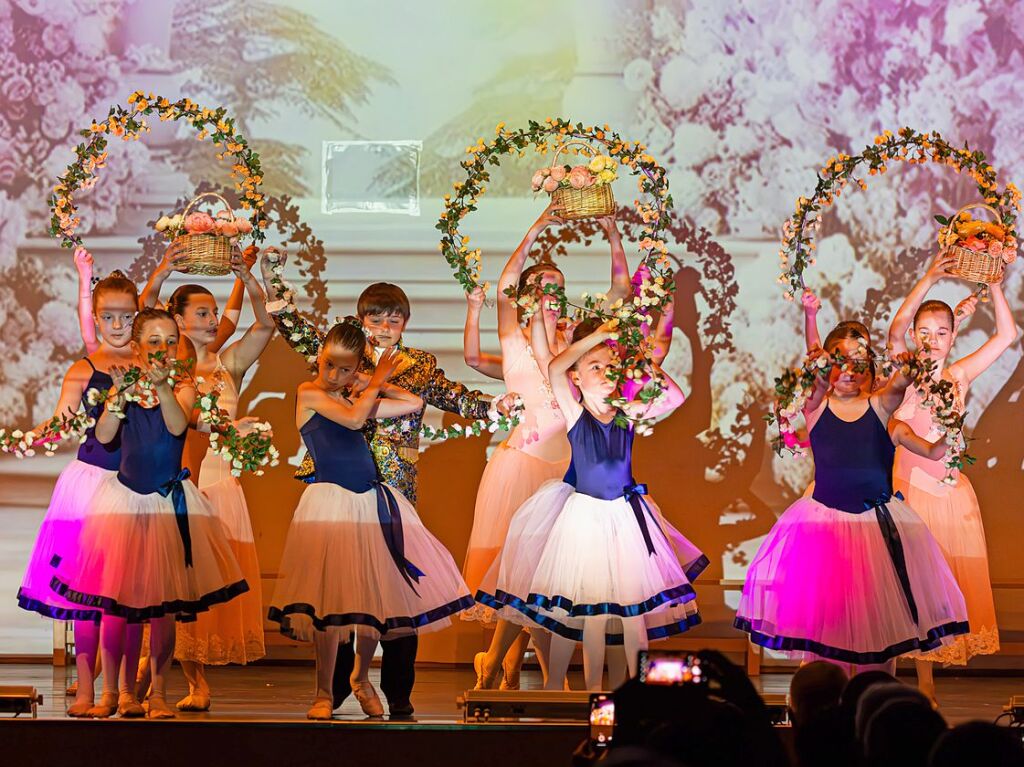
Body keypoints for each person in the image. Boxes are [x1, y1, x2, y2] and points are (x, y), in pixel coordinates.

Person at [262, 255, 513, 717]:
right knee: (338, 591)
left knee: (398, 595)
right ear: (361, 322)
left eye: (392, 320)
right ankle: (334, 690)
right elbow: (300, 335)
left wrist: (498, 406)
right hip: (338, 488)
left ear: (404, 324)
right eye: (374, 319)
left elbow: (451, 395)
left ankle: (398, 694)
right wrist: (276, 294)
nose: (383, 327)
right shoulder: (340, 362)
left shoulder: (417, 364)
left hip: (392, 489)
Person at [477, 319, 705, 691]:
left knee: (626, 615)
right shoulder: (575, 413)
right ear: (577, 378)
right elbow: (553, 368)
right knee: (575, 608)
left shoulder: (627, 413)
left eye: (610, 367)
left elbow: (675, 396)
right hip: (583, 520)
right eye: (593, 367)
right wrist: (600, 338)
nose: (603, 373)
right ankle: (561, 689)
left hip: (624, 523)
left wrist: (638, 358)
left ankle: (627, 694)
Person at [735, 323, 969, 675]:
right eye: (839, 361)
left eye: (857, 361)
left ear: (869, 368)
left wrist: (908, 370)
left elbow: (899, 386)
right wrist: (811, 323)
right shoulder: (815, 408)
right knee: (828, 615)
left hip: (875, 527)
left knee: (879, 615)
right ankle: (828, 702)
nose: (847, 370)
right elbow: (808, 382)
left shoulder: (879, 407)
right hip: (824, 527)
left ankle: (876, 698)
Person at [48, 309, 248, 718]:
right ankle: (115, 694)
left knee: (162, 609)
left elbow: (176, 427)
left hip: (165, 503)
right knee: (117, 605)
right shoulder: (123, 386)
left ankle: (154, 693)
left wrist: (166, 390)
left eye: (170, 341)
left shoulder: (184, 384)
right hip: (124, 503)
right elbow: (104, 437)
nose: (162, 350)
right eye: (153, 342)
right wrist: (118, 399)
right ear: (137, 347)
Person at [888, 253, 1020, 702]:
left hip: (947, 496)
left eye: (941, 332)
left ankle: (927, 683)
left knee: (941, 588)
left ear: (953, 335)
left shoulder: (960, 375)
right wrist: (928, 276)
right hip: (908, 494)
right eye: (924, 332)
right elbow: (896, 328)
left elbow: (1008, 335)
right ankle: (914, 684)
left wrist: (996, 283)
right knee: (907, 586)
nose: (931, 340)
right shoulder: (905, 371)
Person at [16, 262, 138, 716]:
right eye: (108, 316)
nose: (119, 326)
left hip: (135, 488)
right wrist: (22, 438)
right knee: (88, 598)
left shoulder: (152, 364)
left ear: (139, 314)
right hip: (91, 484)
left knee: (129, 599)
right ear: (97, 317)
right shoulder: (84, 368)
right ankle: (86, 690)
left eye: (127, 316)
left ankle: (125, 690)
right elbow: (62, 421)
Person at [160, 248, 275, 711]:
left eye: (213, 312)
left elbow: (264, 326)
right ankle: (184, 680)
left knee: (213, 585)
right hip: (185, 482)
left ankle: (195, 680)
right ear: (180, 321)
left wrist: (248, 278)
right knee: (179, 582)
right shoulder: (174, 371)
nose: (212, 320)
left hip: (221, 484)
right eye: (201, 313)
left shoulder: (228, 365)